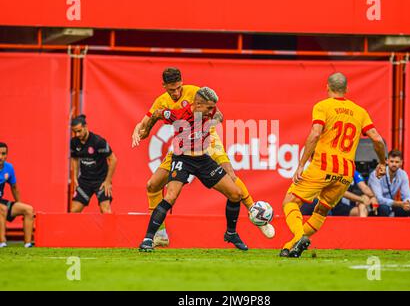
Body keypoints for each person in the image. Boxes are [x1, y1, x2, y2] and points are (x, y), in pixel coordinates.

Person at [131, 67, 274, 246]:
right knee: (153, 185)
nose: (176, 93)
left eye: (178, 88)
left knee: (230, 174)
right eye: (171, 90)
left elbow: (217, 113)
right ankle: (158, 235)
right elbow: (151, 117)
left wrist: (205, 124)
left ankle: (255, 212)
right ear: (164, 86)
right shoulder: (164, 103)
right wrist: (139, 129)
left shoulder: (196, 92)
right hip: (183, 150)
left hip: (207, 140)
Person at [280, 72, 387, 258]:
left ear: (327, 87)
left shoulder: (322, 106)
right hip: (345, 172)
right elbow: (377, 139)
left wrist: (301, 165)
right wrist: (383, 163)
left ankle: (298, 237)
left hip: (322, 165)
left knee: (290, 201)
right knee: (321, 210)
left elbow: (314, 134)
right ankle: (290, 247)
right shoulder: (360, 112)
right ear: (346, 89)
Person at [138, 87, 249, 252]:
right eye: (209, 108)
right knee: (170, 196)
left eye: (213, 108)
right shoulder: (179, 114)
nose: (212, 111)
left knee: (236, 194)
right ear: (197, 105)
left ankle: (231, 233)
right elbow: (157, 113)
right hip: (182, 158)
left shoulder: (209, 112)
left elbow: (219, 116)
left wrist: (216, 117)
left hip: (203, 159)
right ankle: (148, 239)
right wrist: (146, 129)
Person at [70, 115, 117, 213]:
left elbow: (113, 160)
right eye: (75, 132)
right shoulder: (74, 142)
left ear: (85, 127)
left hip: (101, 181)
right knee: (74, 211)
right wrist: (74, 177)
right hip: (84, 181)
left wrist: (108, 181)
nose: (77, 134)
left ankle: (108, 229)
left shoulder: (98, 141)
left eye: (79, 131)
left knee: (106, 211)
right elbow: (74, 159)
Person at [0, 142, 35, 248]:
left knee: (28, 210)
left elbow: (14, 187)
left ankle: (28, 244)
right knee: (2, 209)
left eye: (3, 154)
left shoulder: (9, 168)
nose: (0, 157)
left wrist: (18, 204)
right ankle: (2, 242)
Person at [368, 149, 410, 217]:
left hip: (392, 204)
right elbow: (379, 199)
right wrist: (398, 204)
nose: (394, 164)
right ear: (387, 161)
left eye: (397, 162)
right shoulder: (376, 173)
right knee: (384, 208)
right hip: (375, 205)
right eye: (392, 161)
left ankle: (409, 227)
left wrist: (407, 203)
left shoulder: (403, 174)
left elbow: (407, 195)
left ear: (401, 163)